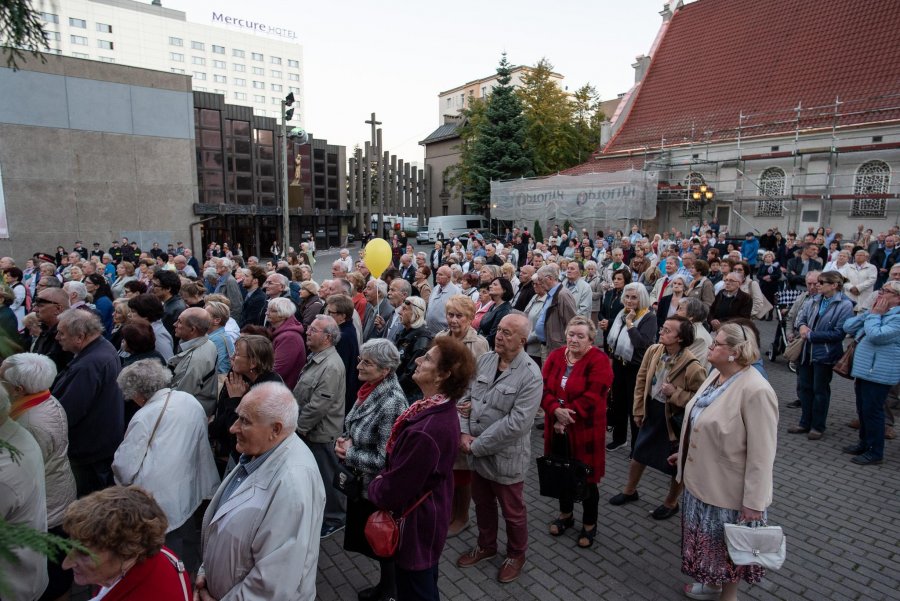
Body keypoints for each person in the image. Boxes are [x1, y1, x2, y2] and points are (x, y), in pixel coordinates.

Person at [671, 323, 778, 601]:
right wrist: (683, 455)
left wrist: (754, 502)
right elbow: (700, 417)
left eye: (716, 344)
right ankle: (712, 585)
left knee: (728, 553)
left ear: (734, 352)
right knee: (709, 549)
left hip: (727, 494)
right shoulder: (717, 375)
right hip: (701, 483)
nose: (709, 347)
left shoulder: (756, 390)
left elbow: (763, 454)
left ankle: (727, 597)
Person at [369, 336, 476, 600]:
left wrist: (374, 484)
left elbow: (395, 489)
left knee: (417, 587)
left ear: (443, 375)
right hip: (428, 516)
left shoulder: (427, 430)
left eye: (427, 358)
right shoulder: (433, 409)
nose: (417, 360)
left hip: (417, 525)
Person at [197, 382, 324, 600]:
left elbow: (273, 585)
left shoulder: (292, 486)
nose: (233, 427)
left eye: (245, 421)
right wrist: (206, 569)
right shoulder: (260, 452)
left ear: (275, 429)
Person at [456, 313, 543, 584]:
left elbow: (517, 424)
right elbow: (466, 397)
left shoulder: (530, 375)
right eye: (499, 330)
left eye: (507, 333)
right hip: (475, 450)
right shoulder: (486, 360)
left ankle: (516, 554)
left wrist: (476, 445)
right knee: (481, 503)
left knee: (513, 511)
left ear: (522, 340)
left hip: (504, 457)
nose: (499, 335)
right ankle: (486, 545)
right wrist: (463, 431)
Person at [112, 360, 219, 564]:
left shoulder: (144, 415)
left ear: (137, 393)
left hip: (156, 493)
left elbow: (124, 467)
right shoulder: (188, 400)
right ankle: (187, 574)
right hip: (188, 483)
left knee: (163, 546)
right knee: (184, 533)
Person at [609, 315, 705, 520]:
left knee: (675, 465)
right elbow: (641, 379)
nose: (661, 332)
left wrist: (675, 393)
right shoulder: (654, 351)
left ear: (680, 338)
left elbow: (700, 399)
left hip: (671, 419)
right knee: (638, 453)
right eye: (663, 328)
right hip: (651, 410)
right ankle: (629, 490)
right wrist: (638, 410)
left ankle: (671, 503)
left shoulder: (693, 365)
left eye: (667, 330)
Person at [335, 339, 409, 601]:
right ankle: (386, 586)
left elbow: (384, 459)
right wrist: (346, 438)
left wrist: (349, 452)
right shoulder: (369, 388)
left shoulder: (392, 403)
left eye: (367, 362)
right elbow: (357, 424)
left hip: (376, 486)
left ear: (385, 370)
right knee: (373, 541)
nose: (360, 366)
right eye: (361, 359)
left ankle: (390, 591)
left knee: (383, 541)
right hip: (362, 482)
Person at [2, 354, 73, 599]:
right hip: (57, 492)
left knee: (53, 569)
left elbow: (17, 470)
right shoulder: (43, 400)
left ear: (18, 389)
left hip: (49, 504)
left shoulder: (30, 422)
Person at [541, 316, 613, 548]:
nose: (574, 339)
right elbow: (541, 387)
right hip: (557, 428)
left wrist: (566, 416)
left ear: (591, 339)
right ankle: (565, 515)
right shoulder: (555, 355)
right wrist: (554, 410)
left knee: (586, 479)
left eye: (580, 336)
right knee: (561, 472)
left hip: (584, 430)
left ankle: (589, 524)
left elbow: (594, 396)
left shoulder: (599, 360)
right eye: (571, 334)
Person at [61, 486, 192, 600]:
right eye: (72, 546)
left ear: (125, 554)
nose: (66, 564)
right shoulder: (152, 554)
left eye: (84, 553)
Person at [51, 309, 124, 496]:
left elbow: (68, 411)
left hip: (87, 452)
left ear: (80, 337)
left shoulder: (89, 365)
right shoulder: (102, 348)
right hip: (97, 447)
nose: (57, 337)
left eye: (62, 333)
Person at [435, 294, 490, 536]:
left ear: (470, 318)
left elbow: (482, 381)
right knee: (445, 463)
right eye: (450, 315)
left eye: (459, 316)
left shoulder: (479, 344)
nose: (454, 320)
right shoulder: (440, 338)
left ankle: (462, 516)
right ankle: (448, 510)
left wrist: (472, 405)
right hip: (441, 404)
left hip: (464, 409)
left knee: (462, 467)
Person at [294, 314, 347, 539]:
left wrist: (299, 427)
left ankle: (335, 518)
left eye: (313, 330)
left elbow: (319, 405)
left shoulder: (331, 366)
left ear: (327, 337)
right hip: (311, 429)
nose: (307, 331)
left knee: (328, 476)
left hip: (321, 433)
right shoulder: (317, 357)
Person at [787, 270, 854, 440]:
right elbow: (800, 319)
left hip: (825, 353)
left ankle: (817, 426)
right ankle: (804, 422)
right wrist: (802, 327)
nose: (817, 285)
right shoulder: (814, 300)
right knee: (805, 388)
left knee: (820, 390)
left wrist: (811, 335)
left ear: (834, 285)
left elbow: (839, 333)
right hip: (805, 351)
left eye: (821, 282)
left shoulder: (845, 305)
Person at [842, 280, 900, 465]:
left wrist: (874, 315)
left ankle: (875, 452)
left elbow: (877, 336)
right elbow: (848, 327)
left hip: (880, 373)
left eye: (887, 291)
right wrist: (869, 314)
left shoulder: (897, 318)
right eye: (881, 289)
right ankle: (864, 443)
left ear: (898, 298)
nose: (880, 293)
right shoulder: (878, 312)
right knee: (863, 409)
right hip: (865, 370)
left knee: (873, 412)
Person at [210, 335, 283, 470]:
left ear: (253, 362)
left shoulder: (267, 390)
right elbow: (222, 414)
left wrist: (235, 400)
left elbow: (240, 433)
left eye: (237, 354)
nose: (232, 357)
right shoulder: (239, 378)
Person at [606, 283, 657, 452]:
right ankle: (619, 439)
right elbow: (614, 340)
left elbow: (643, 344)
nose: (629, 301)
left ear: (641, 298)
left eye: (633, 297)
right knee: (618, 403)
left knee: (634, 407)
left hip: (636, 367)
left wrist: (630, 324)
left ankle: (637, 445)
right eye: (627, 297)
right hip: (619, 364)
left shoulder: (649, 317)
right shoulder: (623, 313)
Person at [169, 307, 219, 416]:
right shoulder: (208, 342)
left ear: (192, 330)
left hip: (188, 414)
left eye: (180, 322)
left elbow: (178, 399)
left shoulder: (194, 361)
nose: (174, 324)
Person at [395, 296, 433, 400]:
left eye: (404, 309)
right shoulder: (404, 332)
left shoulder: (422, 339)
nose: (399, 312)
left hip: (407, 395)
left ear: (416, 314)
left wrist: (392, 389)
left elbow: (409, 375)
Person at [266, 296, 307, 389]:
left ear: (283, 314)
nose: (267, 313)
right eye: (267, 309)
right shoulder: (275, 330)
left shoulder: (290, 338)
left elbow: (278, 370)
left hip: (281, 390)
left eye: (272, 311)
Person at [477, 277, 515, 349]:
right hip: (481, 342)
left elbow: (493, 335)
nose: (490, 286)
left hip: (489, 347)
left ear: (504, 290)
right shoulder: (494, 306)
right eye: (491, 284)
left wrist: (478, 344)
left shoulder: (504, 310)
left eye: (495, 284)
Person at [676, 297, 713, 368]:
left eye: (680, 309)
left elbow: (687, 366)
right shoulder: (690, 330)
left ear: (691, 316)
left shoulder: (697, 336)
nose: (676, 313)